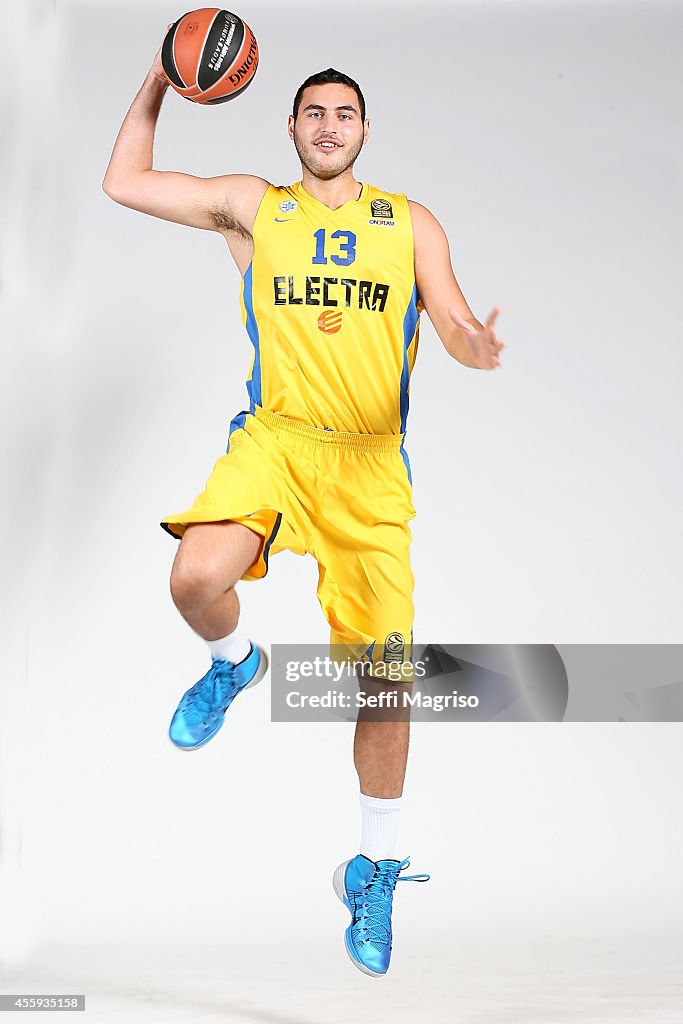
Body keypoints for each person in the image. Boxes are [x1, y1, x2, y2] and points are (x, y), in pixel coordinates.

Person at [102, 29, 505, 977]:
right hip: (277, 440)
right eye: (314, 111)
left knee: (388, 678)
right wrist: (160, 76)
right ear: (290, 125)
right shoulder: (252, 208)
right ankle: (236, 663)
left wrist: (468, 345)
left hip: (370, 468)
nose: (329, 125)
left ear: (364, 130)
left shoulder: (408, 221)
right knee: (196, 573)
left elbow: (448, 314)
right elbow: (125, 180)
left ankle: (372, 864)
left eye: (345, 113)